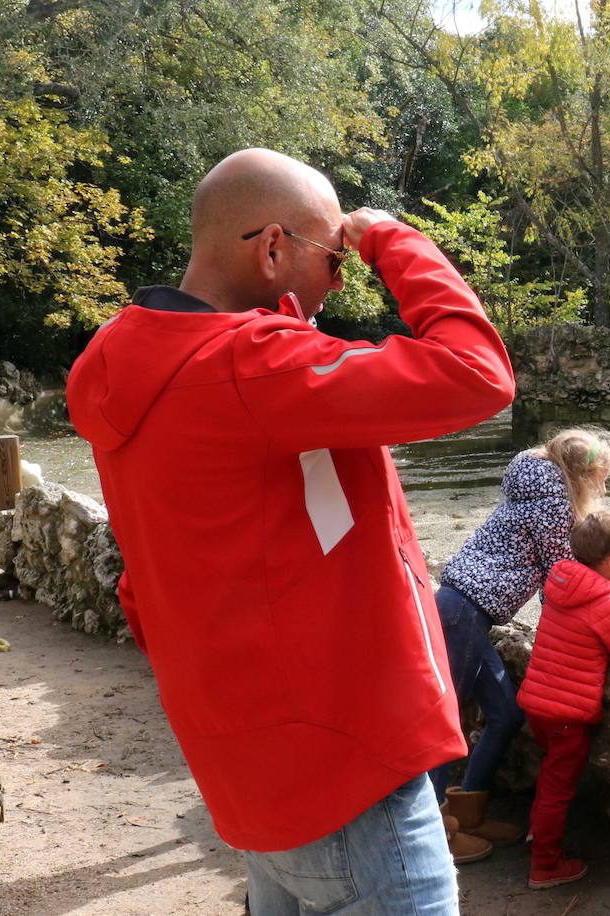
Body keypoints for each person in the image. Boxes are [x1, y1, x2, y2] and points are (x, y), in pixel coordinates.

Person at [66, 148, 516, 915]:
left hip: (254, 772)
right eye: (334, 259)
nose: (343, 279)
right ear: (272, 249)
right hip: (352, 774)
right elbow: (478, 374)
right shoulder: (254, 370)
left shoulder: (125, 359)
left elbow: (147, 589)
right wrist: (391, 240)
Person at [429, 428, 610, 854]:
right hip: (464, 612)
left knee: (506, 714)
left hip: (462, 609)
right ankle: (436, 836)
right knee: (447, 725)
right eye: (600, 479)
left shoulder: (532, 485)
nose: (602, 488)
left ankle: (468, 816)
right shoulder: (553, 505)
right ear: (580, 474)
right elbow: (562, 574)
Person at [516, 509, 610, 888]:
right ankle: (544, 865)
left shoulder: (560, 585)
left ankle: (536, 831)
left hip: (537, 705)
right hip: (566, 715)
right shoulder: (607, 603)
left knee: (549, 777)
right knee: (557, 787)